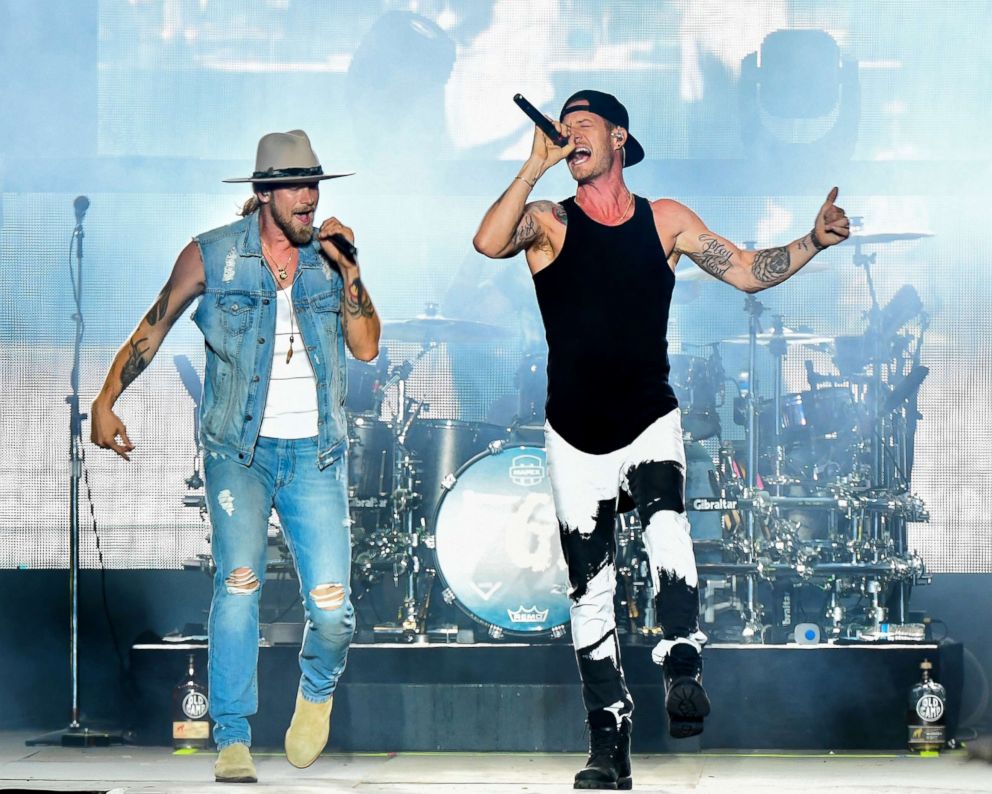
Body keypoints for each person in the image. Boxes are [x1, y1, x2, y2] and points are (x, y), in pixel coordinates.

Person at [473, 90, 849, 790]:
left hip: (649, 415)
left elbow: (743, 268)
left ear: (619, 137)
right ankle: (609, 746)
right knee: (591, 590)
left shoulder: (664, 220)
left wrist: (812, 241)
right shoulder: (550, 221)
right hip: (574, 430)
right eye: (564, 124)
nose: (569, 132)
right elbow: (489, 242)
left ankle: (682, 661)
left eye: (584, 123)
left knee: (668, 526)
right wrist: (531, 168)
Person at [91, 130, 381, 783]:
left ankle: (315, 692)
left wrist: (352, 273)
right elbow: (155, 323)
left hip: (315, 453)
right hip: (237, 451)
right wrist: (107, 398)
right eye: (298, 187)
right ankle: (232, 735)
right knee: (239, 584)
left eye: (315, 185)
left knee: (333, 609)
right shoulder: (213, 255)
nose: (310, 199)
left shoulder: (331, 259)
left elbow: (365, 347)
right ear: (265, 194)